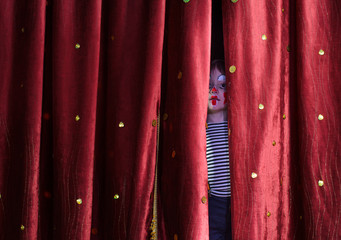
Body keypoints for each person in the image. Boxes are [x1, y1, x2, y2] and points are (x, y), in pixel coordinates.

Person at [206, 60, 232, 239]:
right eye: (208, 85)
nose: (214, 91)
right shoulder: (199, 128)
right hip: (213, 201)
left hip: (236, 200)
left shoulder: (235, 126)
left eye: (221, 85)